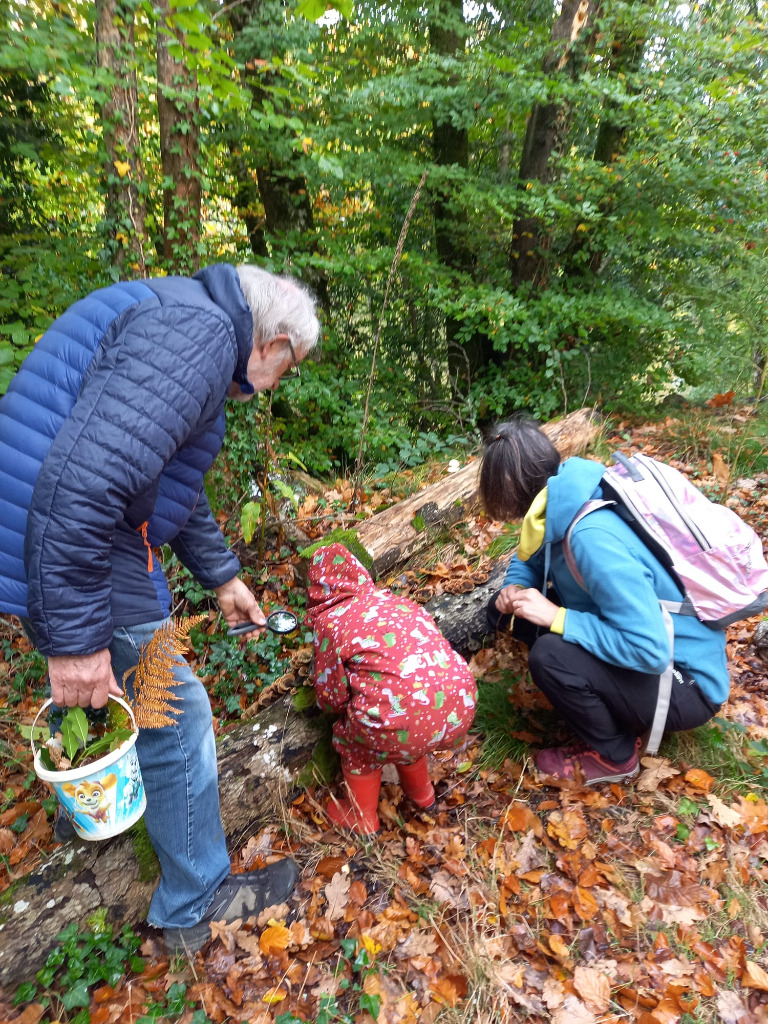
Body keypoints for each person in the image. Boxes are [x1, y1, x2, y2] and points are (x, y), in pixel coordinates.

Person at [0, 263, 320, 952]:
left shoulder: (185, 317)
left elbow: (167, 476)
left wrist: (222, 577)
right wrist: (76, 640)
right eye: (286, 370)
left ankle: (93, 814)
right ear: (273, 344)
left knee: (123, 688)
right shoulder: (197, 335)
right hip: (68, 533)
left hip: (51, 529)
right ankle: (194, 901)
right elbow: (88, 482)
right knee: (174, 711)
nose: (273, 386)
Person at [479, 418, 729, 784]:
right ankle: (604, 700)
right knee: (515, 613)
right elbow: (530, 555)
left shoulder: (590, 538)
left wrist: (557, 617)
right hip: (655, 646)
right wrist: (515, 586)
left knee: (550, 655)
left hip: (686, 683)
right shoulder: (564, 497)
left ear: (509, 488)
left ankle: (614, 756)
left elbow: (650, 649)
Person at [306, 543, 477, 834]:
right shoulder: (395, 601)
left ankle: (361, 817)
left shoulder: (329, 622)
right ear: (360, 574)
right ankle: (423, 795)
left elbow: (331, 697)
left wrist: (345, 708)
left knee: (359, 743)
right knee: (413, 721)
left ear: (317, 591)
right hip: (460, 702)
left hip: (402, 721)